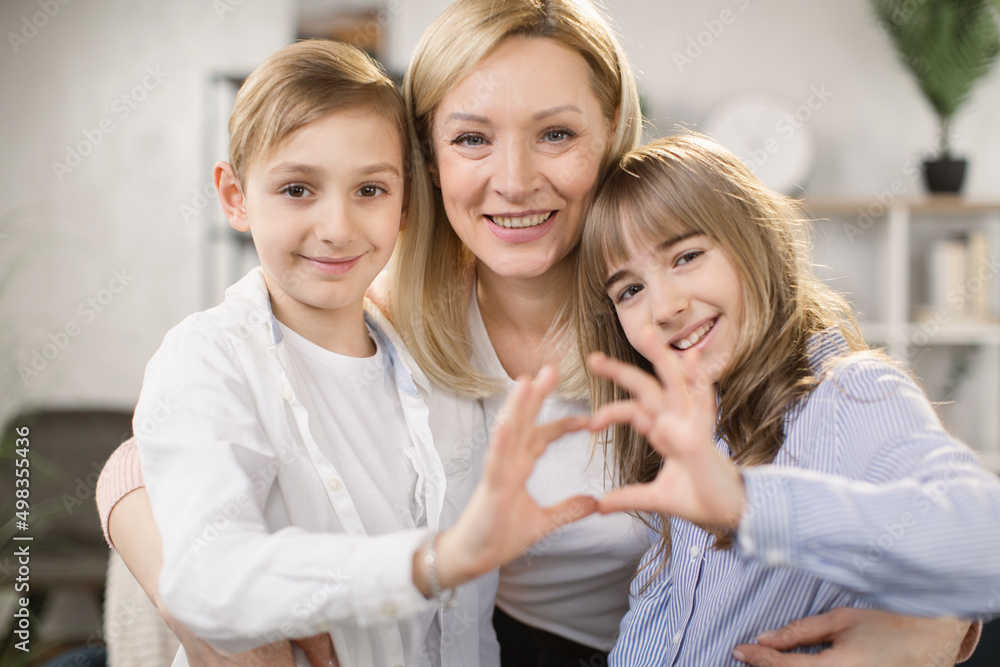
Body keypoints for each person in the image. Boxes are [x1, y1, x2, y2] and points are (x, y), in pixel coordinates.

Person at [97, 1, 982, 665]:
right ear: (426, 163)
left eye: (556, 133)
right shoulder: (382, 307)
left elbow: (897, 462)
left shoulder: (684, 314)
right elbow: (146, 453)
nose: (514, 181)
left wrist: (939, 626)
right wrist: (223, 623)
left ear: (612, 137)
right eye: (472, 138)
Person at [130, 37, 597, 667]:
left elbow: (466, 626)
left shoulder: (436, 366)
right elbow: (204, 577)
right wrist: (429, 563)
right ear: (235, 196)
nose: (337, 228)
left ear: (406, 202)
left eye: (370, 191)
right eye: (297, 189)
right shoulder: (209, 360)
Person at [576, 133, 1000, 665]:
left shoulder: (849, 393)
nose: (663, 307)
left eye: (686, 256)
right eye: (629, 290)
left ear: (754, 241)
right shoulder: (700, 431)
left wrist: (744, 504)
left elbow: (987, 543)